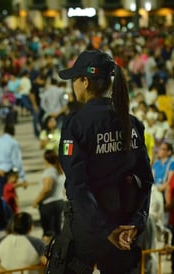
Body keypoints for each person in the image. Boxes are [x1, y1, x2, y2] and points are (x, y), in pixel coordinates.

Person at [47, 50, 154, 274]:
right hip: (124, 227)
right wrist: (136, 222)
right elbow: (146, 180)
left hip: (88, 235)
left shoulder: (76, 125)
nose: (73, 86)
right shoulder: (132, 122)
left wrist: (105, 230)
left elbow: (78, 186)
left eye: (74, 80)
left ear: (85, 82)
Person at [32, 150, 64, 243]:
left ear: (46, 160)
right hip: (59, 202)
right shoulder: (60, 171)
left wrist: (36, 201)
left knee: (48, 233)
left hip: (48, 204)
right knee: (57, 231)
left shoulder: (49, 172)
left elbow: (47, 188)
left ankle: (46, 254)